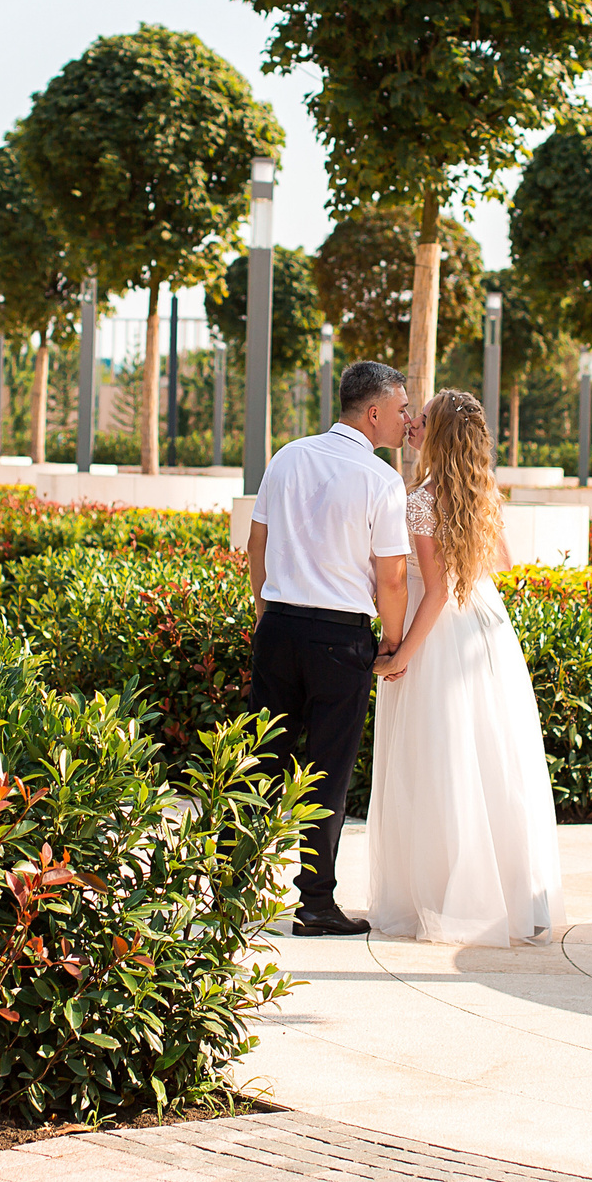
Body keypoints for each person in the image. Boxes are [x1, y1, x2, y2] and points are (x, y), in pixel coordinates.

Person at [364, 389, 564, 946]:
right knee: (491, 758)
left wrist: (399, 654)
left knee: (439, 762)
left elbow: (437, 589)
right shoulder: (477, 494)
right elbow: (498, 563)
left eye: (420, 419)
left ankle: (445, 897)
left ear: (438, 435)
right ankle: (508, 893)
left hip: (442, 636)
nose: (410, 424)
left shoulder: (422, 500)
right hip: (486, 629)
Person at [245, 359, 411, 936]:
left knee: (258, 763)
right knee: (328, 773)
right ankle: (314, 904)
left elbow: (256, 543)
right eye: (400, 409)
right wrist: (391, 644)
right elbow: (391, 577)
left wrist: (268, 614)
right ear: (373, 412)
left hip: (279, 628)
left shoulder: (287, 455)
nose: (406, 419)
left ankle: (227, 890)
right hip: (341, 640)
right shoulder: (382, 481)